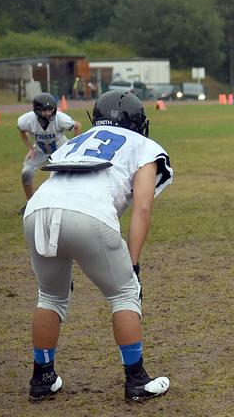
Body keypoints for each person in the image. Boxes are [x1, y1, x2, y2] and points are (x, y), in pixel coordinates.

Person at [22, 90, 174, 402]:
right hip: (88, 213)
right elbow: (142, 209)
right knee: (124, 292)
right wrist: (133, 265)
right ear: (137, 122)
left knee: (50, 295)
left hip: (38, 208)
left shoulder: (80, 139)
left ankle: (42, 377)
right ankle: (136, 380)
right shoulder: (144, 145)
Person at [18, 93, 82, 211]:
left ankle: (69, 202)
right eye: (44, 110)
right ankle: (30, 203)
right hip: (40, 151)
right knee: (26, 173)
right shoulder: (27, 120)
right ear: (36, 110)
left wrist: (72, 146)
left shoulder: (61, 119)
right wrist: (30, 148)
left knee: (67, 176)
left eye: (50, 109)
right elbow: (22, 131)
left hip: (60, 150)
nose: (48, 113)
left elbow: (77, 126)